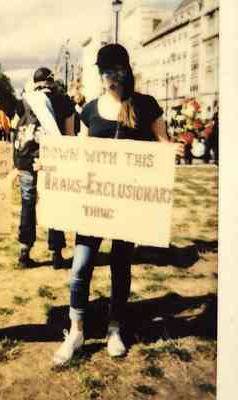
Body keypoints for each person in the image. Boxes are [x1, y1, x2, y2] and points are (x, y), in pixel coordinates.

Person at [51, 44, 184, 365]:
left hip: (128, 204)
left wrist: (172, 150)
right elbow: (78, 153)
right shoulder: (90, 111)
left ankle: (115, 328)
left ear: (125, 70)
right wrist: (52, 166)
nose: (108, 76)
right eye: (103, 70)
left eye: (113, 69)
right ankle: (77, 329)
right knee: (80, 267)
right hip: (93, 201)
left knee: (120, 266)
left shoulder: (145, 106)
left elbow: (162, 142)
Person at [15, 68, 75, 269]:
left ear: (35, 82)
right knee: (54, 203)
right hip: (53, 159)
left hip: (26, 159)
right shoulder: (64, 101)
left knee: (27, 203)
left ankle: (24, 250)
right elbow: (68, 135)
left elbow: (18, 129)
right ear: (51, 82)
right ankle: (57, 253)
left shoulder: (25, 100)